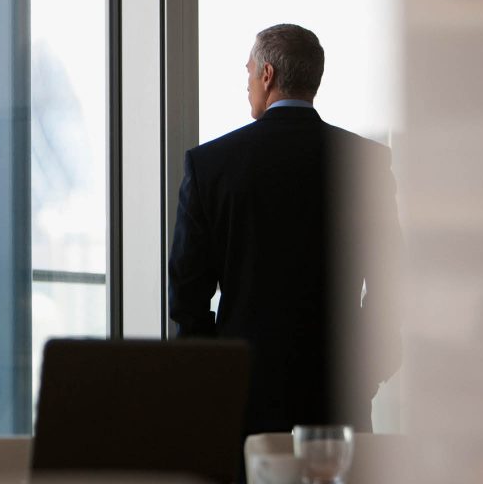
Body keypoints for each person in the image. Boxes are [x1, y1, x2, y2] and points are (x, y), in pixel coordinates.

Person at [168, 24, 402, 438]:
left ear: (267, 75)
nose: (247, 85)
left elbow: (187, 293)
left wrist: (217, 372)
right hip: (338, 390)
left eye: (248, 72)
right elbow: (392, 282)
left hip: (246, 395)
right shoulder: (366, 163)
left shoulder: (210, 166)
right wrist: (368, 370)